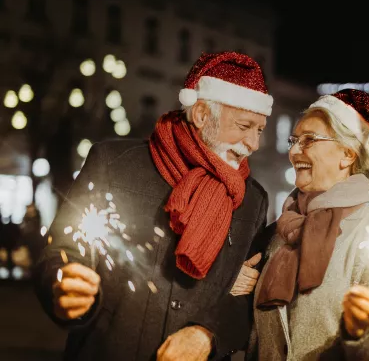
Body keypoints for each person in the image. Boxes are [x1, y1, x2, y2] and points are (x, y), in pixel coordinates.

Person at [34, 51, 274, 361]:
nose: (253, 144)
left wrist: (208, 332)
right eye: (244, 126)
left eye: (259, 130)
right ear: (201, 115)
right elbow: (60, 252)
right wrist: (63, 286)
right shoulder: (114, 163)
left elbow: (247, 297)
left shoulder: (253, 199)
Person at [248, 89, 369, 360]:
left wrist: (362, 332)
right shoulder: (275, 233)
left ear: (347, 155)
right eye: (294, 140)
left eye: (309, 140)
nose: (294, 151)